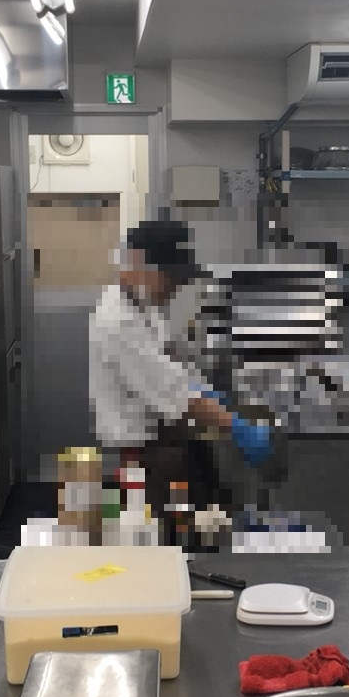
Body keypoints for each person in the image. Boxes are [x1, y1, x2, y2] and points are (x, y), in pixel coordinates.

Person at [88, 218, 270, 517]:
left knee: (202, 515)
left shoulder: (143, 304)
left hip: (166, 438)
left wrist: (201, 388)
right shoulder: (118, 322)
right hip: (145, 455)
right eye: (172, 279)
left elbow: (168, 355)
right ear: (142, 268)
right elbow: (173, 391)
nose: (175, 290)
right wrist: (238, 428)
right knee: (161, 531)